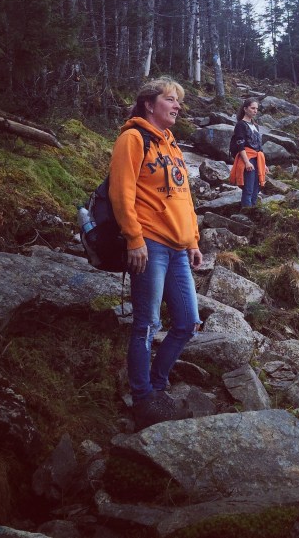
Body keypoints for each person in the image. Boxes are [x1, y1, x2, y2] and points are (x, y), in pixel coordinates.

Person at [108, 76, 202, 429]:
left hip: (179, 250)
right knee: (146, 325)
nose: (177, 105)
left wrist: (192, 241)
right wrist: (134, 239)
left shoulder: (173, 146)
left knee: (187, 322)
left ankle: (157, 387)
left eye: (178, 101)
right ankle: (143, 398)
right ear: (150, 104)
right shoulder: (133, 138)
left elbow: (184, 199)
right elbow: (121, 193)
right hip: (151, 247)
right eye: (170, 99)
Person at [229, 97, 268, 209]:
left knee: (256, 188)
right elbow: (240, 144)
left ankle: (253, 211)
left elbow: (259, 146)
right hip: (248, 158)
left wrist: (264, 164)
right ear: (245, 109)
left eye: (256, 108)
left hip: (258, 158)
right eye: (252, 108)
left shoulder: (255, 126)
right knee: (249, 188)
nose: (255, 111)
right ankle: (246, 213)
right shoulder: (240, 125)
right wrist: (246, 162)